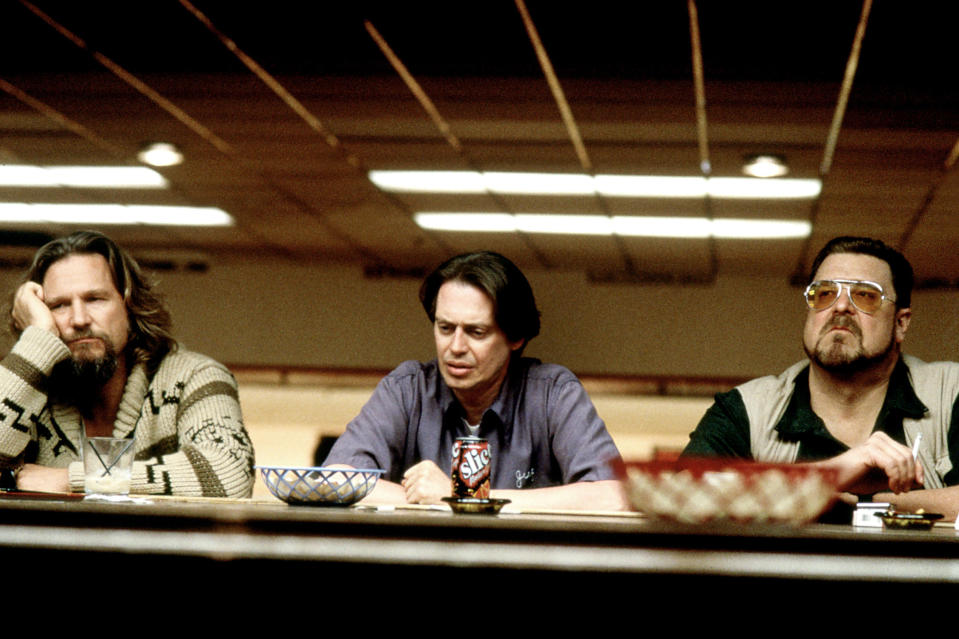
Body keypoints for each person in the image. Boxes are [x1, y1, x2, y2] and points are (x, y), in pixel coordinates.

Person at [323, 250, 626, 510]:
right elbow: (335, 481)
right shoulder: (407, 389)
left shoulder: (553, 394)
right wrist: (439, 501)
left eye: (476, 332)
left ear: (516, 336)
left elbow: (614, 495)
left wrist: (465, 497)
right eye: (445, 328)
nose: (455, 347)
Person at [683, 236, 959, 519]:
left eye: (865, 295)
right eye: (824, 293)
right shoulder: (746, 409)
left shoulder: (951, 393)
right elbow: (682, 497)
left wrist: (862, 505)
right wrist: (836, 473)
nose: (840, 307)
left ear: (901, 323)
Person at [0, 231, 254, 497]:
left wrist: (77, 479)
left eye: (95, 299)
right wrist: (38, 338)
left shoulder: (194, 376)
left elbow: (230, 474)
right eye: (59, 305)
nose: (78, 319)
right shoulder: (26, 388)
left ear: (130, 306)